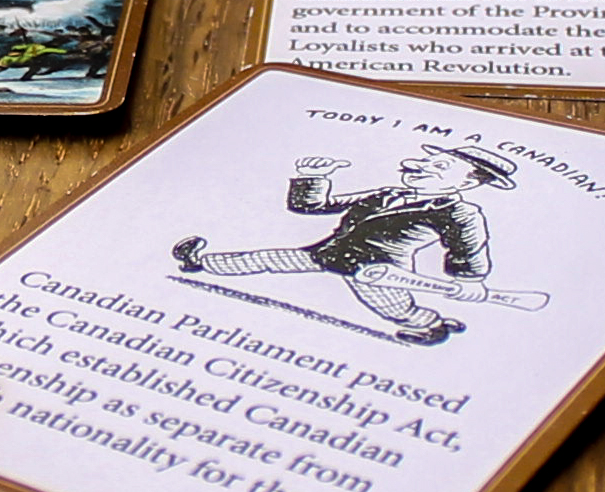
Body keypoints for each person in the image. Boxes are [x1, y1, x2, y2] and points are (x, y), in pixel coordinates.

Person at [173, 143, 526, 345]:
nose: (416, 164)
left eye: (439, 166)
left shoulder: (458, 212)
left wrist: (469, 280)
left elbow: (468, 246)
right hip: (331, 250)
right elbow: (314, 207)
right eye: (426, 160)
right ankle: (199, 262)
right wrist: (313, 177)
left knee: (395, 308)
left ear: (469, 182)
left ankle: (430, 327)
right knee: (268, 258)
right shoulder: (386, 193)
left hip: (377, 270)